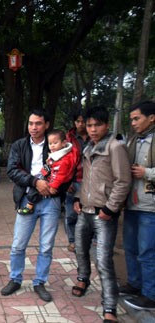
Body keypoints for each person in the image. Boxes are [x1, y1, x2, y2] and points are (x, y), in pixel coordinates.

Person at [72, 106, 131, 323]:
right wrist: (78, 198)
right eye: (89, 125)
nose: (93, 129)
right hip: (84, 211)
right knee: (80, 249)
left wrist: (110, 208)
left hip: (104, 215)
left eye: (97, 125)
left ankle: (109, 308)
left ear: (106, 125)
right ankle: (82, 279)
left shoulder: (115, 147)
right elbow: (87, 180)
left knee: (104, 261)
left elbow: (123, 181)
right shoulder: (88, 147)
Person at [1, 109, 61, 303]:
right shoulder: (19, 145)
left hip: (50, 201)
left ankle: (39, 282)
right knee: (18, 245)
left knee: (46, 247)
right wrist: (35, 182)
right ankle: (15, 279)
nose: (34, 128)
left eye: (38, 124)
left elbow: (66, 168)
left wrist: (54, 187)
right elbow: (11, 171)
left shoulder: (55, 146)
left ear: (47, 125)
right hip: (27, 199)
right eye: (31, 123)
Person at [120, 100, 155, 311]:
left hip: (150, 207)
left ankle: (150, 294)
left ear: (151, 117)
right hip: (132, 205)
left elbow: (143, 172)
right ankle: (134, 284)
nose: (133, 123)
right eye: (131, 119)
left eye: (137, 118)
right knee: (131, 248)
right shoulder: (134, 140)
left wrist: (147, 173)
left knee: (147, 251)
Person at [17, 129, 78, 215]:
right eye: (50, 143)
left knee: (34, 191)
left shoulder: (63, 159)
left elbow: (59, 175)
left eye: (55, 143)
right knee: (35, 185)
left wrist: (53, 186)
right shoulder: (59, 154)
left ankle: (29, 206)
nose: (52, 146)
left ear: (64, 143)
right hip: (48, 175)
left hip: (54, 181)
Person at [64, 111, 89, 252]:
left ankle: (93, 240)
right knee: (71, 213)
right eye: (78, 121)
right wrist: (67, 182)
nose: (81, 124)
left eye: (83, 121)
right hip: (74, 180)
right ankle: (72, 240)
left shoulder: (94, 136)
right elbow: (63, 162)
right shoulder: (68, 139)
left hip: (91, 180)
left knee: (91, 213)